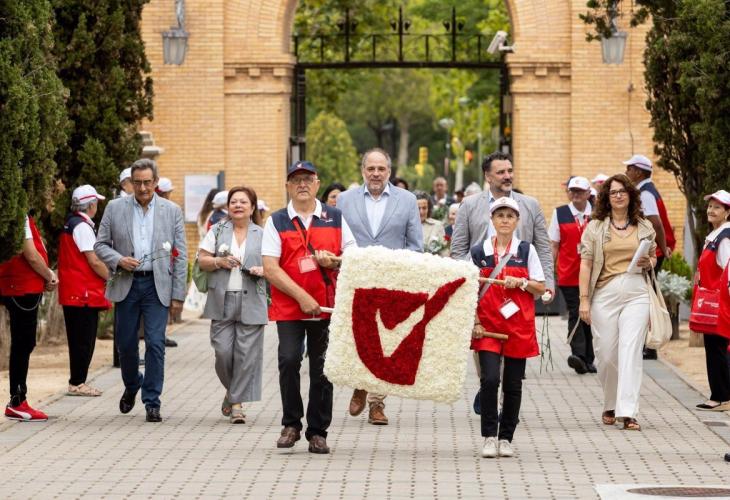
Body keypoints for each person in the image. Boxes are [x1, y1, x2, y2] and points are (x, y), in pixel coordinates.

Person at [262, 161, 356, 454]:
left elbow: (354, 257)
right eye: (296, 180)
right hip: (290, 306)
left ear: (317, 184)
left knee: (323, 368)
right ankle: (291, 424)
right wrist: (301, 296)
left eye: (308, 179)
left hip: (326, 307)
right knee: (289, 360)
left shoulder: (335, 217)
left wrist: (335, 261)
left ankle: (318, 431)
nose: (302, 184)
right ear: (288, 186)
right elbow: (270, 268)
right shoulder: (276, 221)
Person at [450, 151, 554, 412]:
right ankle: (489, 385)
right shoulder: (469, 205)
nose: (507, 176)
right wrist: (467, 281)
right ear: (487, 176)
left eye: (510, 171)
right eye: (501, 172)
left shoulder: (530, 204)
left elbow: (543, 247)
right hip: (483, 293)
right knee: (487, 356)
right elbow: (458, 248)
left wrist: (548, 283)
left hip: (518, 293)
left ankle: (502, 401)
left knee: (512, 357)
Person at [95, 158, 187, 423]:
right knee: (125, 345)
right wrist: (118, 260)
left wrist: (178, 295)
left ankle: (152, 402)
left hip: (157, 285)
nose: (143, 188)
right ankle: (133, 383)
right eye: (138, 183)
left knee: (156, 343)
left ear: (156, 182)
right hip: (127, 283)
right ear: (130, 183)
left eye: (148, 182)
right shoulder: (115, 208)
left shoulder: (172, 211)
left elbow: (180, 255)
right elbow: (100, 245)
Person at [337, 148, 423, 425]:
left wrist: (406, 275)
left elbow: (415, 244)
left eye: (381, 169)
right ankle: (360, 384)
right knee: (360, 337)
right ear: (363, 171)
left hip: (391, 281)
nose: (376, 174)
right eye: (371, 169)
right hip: (357, 280)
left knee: (386, 340)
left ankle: (377, 403)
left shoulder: (407, 200)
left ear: (389, 171)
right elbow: (336, 239)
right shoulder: (345, 200)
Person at [578, 174, 655, 432]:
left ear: (631, 195)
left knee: (630, 350)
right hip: (605, 293)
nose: (618, 195)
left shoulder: (644, 226)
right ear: (606, 198)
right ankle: (610, 402)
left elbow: (653, 257)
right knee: (607, 354)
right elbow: (586, 264)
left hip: (637, 292)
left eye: (623, 191)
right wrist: (584, 300)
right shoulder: (595, 227)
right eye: (613, 192)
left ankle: (628, 412)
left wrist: (649, 262)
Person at [471, 197, 546, 458]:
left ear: (517, 221)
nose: (505, 220)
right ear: (492, 220)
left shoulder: (526, 251)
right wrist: (475, 322)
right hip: (488, 327)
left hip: (518, 327)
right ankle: (489, 436)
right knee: (490, 379)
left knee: (513, 385)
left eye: (510, 216)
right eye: (500, 215)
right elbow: (469, 291)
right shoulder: (479, 252)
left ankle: (506, 437)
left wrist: (522, 283)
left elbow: (540, 287)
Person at [198, 187, 268, 423]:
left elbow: (276, 265)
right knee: (223, 352)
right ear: (228, 206)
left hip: (253, 299)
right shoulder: (217, 230)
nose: (238, 205)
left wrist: (263, 270)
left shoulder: (263, 234)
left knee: (246, 356)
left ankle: (236, 404)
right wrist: (219, 261)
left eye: (243, 202)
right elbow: (202, 260)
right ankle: (233, 393)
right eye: (234, 202)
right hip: (222, 300)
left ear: (252, 207)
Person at [1, 214, 58, 421]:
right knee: (22, 344)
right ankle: (17, 401)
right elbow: (31, 255)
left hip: (20, 286)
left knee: (23, 343)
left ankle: (18, 400)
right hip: (21, 288)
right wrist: (49, 275)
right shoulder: (20, 215)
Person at [58, 185, 111, 397]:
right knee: (83, 340)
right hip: (83, 293)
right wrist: (112, 278)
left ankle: (77, 381)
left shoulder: (71, 223)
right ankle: (78, 382)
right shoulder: (82, 227)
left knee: (79, 339)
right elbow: (94, 260)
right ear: (90, 205)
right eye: (96, 203)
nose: (97, 206)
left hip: (74, 291)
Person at [623, 154, 675, 361]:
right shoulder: (645, 190)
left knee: (647, 298)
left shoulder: (645, 194)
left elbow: (656, 223)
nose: (626, 172)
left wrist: (663, 247)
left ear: (638, 172)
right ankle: (648, 345)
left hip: (652, 252)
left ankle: (650, 345)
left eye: (629, 168)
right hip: (653, 250)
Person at [548, 176, 595, 374]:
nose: (575, 194)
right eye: (572, 191)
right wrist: (548, 274)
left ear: (588, 193)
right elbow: (554, 245)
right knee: (576, 312)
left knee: (590, 315)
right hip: (568, 275)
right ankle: (579, 356)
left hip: (593, 275)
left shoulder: (597, 214)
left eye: (580, 191)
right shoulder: (560, 213)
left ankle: (588, 358)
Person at [691, 190, 730, 411]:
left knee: (717, 348)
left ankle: (721, 397)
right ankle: (719, 395)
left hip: (720, 303)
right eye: (710, 206)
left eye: (717, 207)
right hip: (713, 302)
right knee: (714, 348)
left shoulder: (725, 238)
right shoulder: (715, 235)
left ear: (727, 212)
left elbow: (728, 269)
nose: (711, 210)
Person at [415, 191, 448, 256]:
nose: (421, 212)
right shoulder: (406, 225)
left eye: (424, 208)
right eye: (418, 208)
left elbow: (444, 252)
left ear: (429, 208)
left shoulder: (438, 225)